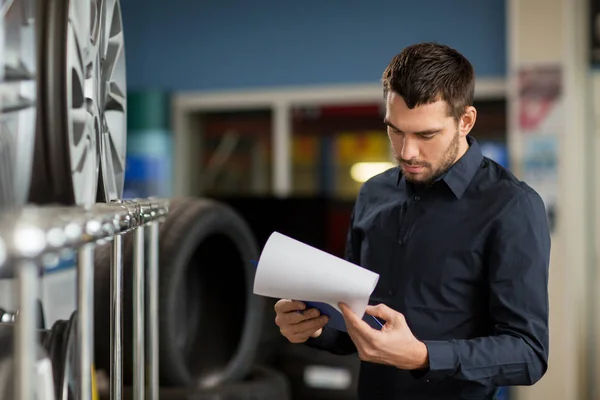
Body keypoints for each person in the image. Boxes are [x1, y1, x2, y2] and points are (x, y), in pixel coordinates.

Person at [273, 42, 551, 400]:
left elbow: (529, 354)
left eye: (426, 135)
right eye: (396, 130)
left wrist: (422, 356)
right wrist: (311, 328)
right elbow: (355, 322)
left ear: (465, 121)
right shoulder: (373, 194)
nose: (407, 152)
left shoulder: (512, 206)